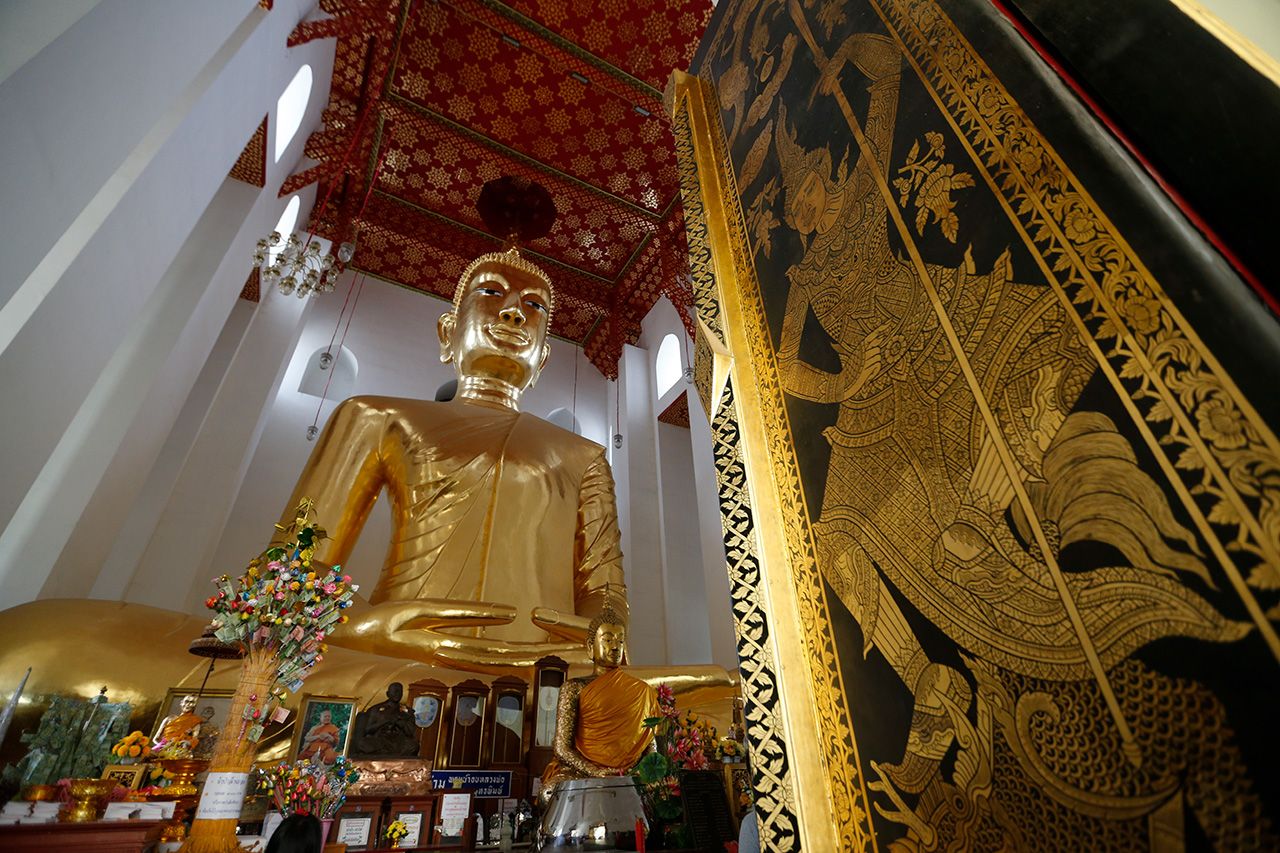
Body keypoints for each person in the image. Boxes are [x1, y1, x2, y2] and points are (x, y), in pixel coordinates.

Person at [279, 247, 627, 673]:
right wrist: (366, 626)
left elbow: (604, 592)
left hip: (541, 671)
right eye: (492, 293)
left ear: (543, 358)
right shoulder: (375, 416)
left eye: (534, 305)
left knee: (679, 689)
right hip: (399, 662)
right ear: (448, 332)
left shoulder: (584, 455)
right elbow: (290, 568)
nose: (514, 313)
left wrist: (604, 634)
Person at [540, 601, 655, 797]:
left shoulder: (641, 691)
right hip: (583, 771)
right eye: (608, 639)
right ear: (590, 646)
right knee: (550, 793)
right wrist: (596, 772)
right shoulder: (574, 687)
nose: (615, 647)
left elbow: (650, 748)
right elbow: (562, 748)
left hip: (629, 772)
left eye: (620, 641)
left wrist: (637, 771)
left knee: (661, 788)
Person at [349, 682, 418, 758]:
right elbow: (368, 729)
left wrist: (399, 722)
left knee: (413, 746)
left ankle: (389, 754)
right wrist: (384, 722)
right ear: (388, 694)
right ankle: (387, 754)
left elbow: (410, 732)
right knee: (363, 744)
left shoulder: (407, 712)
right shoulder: (376, 709)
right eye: (394, 691)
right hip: (380, 740)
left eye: (399, 692)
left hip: (398, 742)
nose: (397, 694)